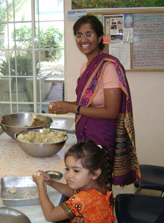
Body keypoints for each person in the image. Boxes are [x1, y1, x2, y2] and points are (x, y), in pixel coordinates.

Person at [48, 15, 140, 186]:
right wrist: (64, 106)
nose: (83, 39)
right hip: (87, 132)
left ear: (99, 38)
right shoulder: (86, 66)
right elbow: (86, 103)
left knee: (98, 183)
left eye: (88, 34)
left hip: (102, 135)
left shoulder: (108, 67)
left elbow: (111, 112)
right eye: (79, 35)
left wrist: (71, 108)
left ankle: (101, 211)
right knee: (84, 181)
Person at [32, 140, 115, 223]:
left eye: (76, 170)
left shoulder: (83, 199)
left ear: (95, 173)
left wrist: (40, 186)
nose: (69, 175)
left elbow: (50, 215)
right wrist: (51, 183)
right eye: (67, 169)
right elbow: (73, 192)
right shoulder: (98, 185)